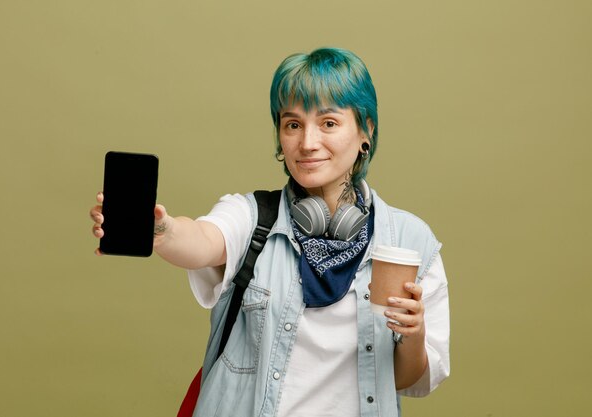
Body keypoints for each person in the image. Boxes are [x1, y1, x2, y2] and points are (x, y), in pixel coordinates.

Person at [90, 47, 450, 417]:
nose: (307, 143)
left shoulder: (410, 242)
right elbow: (201, 240)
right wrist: (163, 232)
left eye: (328, 123)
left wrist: (413, 333)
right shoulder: (253, 217)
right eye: (293, 124)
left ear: (365, 132)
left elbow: (409, 381)